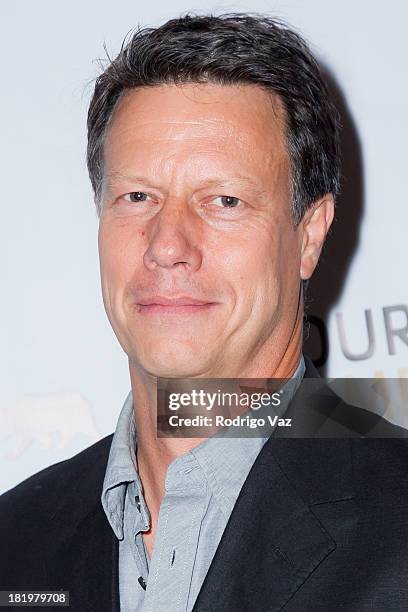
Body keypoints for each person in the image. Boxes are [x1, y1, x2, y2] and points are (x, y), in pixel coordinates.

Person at [1, 13, 408, 612]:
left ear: (310, 234)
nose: (167, 244)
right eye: (137, 196)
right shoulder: (17, 538)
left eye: (223, 200)